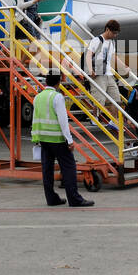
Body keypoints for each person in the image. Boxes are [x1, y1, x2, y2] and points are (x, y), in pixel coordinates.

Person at [31, 72, 94, 207]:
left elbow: (35, 118)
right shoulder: (57, 97)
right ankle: (74, 199)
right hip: (57, 140)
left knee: (47, 170)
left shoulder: (37, 97)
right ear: (58, 83)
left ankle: (51, 199)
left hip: (43, 139)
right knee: (69, 168)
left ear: (46, 81)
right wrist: (69, 140)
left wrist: (36, 137)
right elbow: (63, 121)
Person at [85, 20, 137, 127]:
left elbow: (113, 57)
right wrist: (90, 70)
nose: (115, 35)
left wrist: (123, 66)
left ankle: (114, 121)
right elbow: (88, 55)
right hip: (98, 73)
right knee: (99, 98)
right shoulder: (97, 40)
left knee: (116, 98)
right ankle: (94, 117)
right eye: (113, 33)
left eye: (116, 33)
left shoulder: (112, 42)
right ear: (107, 29)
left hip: (109, 74)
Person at [15, 0, 45, 66]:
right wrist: (35, 1)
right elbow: (20, 6)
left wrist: (38, 17)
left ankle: (21, 63)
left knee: (35, 44)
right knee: (35, 43)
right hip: (25, 20)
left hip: (33, 21)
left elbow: (33, 9)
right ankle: (41, 66)